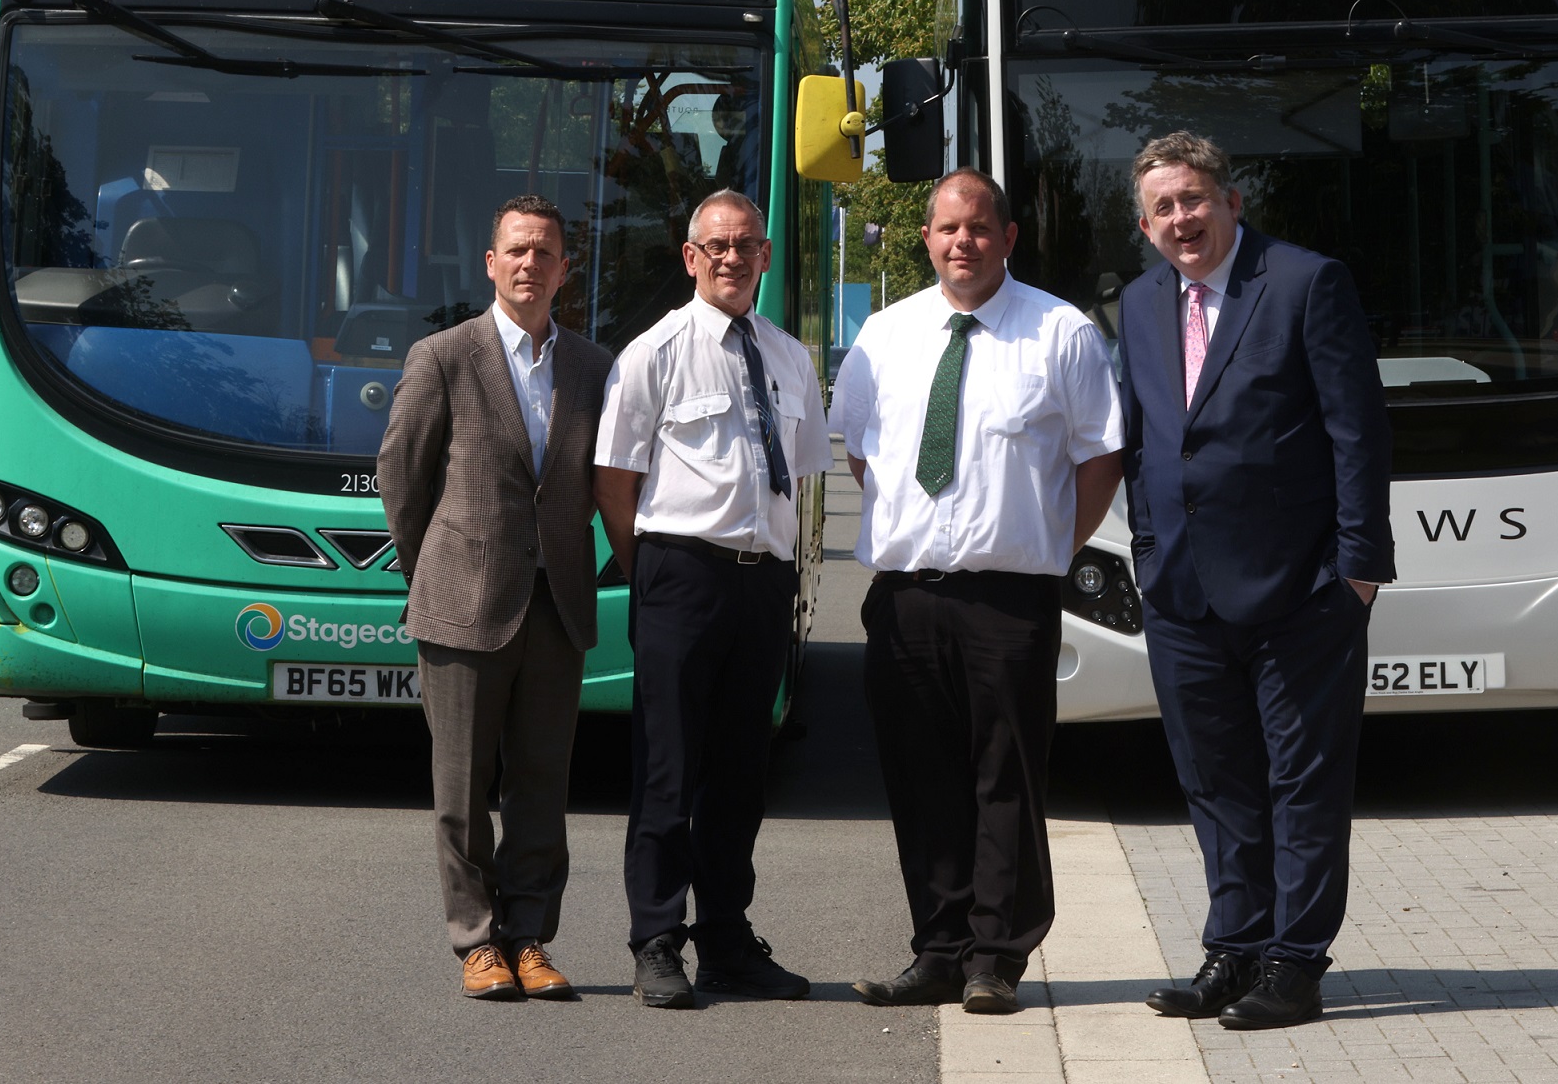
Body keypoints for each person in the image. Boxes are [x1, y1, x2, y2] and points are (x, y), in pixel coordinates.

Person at [1117, 131, 1394, 1030]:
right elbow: (1146, 442)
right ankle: (1233, 950)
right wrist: (1148, 555)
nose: (1180, 219)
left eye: (1193, 198)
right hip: (1183, 597)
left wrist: (1355, 569)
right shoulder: (1138, 302)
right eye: (1162, 207)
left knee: (1301, 783)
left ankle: (1297, 963)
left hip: (1300, 591)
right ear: (1145, 223)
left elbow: (1358, 433)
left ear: (1230, 200)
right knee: (1214, 780)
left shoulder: (1306, 282)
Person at [835, 169, 1124, 1015]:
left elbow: (1099, 455)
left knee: (1005, 779)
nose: (962, 241)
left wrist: (1047, 545)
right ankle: (937, 949)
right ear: (926, 239)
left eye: (979, 228)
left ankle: (994, 957)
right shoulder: (883, 334)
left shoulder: (1058, 333)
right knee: (920, 777)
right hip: (905, 599)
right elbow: (863, 451)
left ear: (1008, 238)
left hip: (1009, 601)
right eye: (947, 228)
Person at [592, 189, 830, 1010]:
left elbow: (798, 470)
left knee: (739, 775)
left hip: (760, 580)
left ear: (765, 257)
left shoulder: (790, 356)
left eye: (746, 246)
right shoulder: (653, 352)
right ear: (690, 257)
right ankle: (655, 941)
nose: (732, 258)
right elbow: (614, 477)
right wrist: (654, 569)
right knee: (668, 770)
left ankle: (728, 940)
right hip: (679, 576)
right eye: (716, 246)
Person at [377, 193, 613, 1002]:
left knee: (541, 787)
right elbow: (402, 477)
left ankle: (530, 939)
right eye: (515, 250)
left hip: (557, 604)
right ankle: (476, 941)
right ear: (490, 262)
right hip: (462, 604)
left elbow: (601, 481)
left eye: (544, 252)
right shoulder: (443, 355)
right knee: (461, 789)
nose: (528, 264)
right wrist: (433, 569)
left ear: (563, 270)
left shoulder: (591, 366)